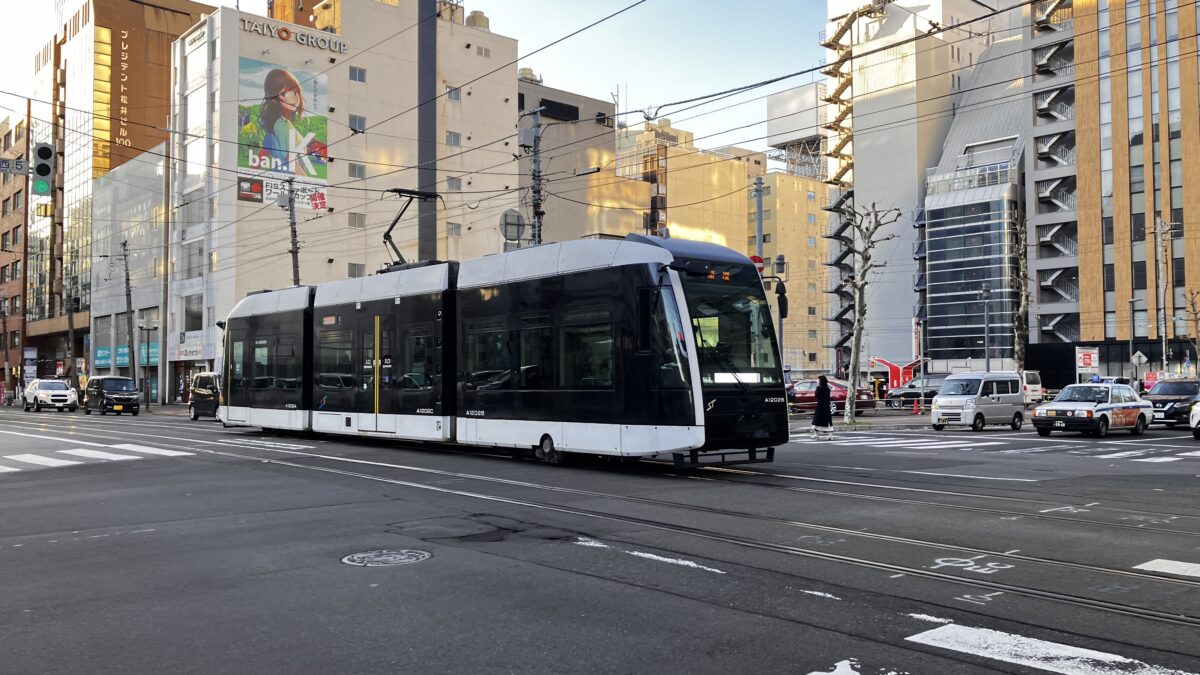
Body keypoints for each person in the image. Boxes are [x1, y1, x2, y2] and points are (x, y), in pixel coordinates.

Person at [259, 68, 307, 175]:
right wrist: (307, 184)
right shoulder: (283, 125)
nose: (294, 99)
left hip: (281, 182)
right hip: (291, 183)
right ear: (273, 98)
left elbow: (263, 153)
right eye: (284, 94)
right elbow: (292, 162)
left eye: (295, 92)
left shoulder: (277, 124)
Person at [810, 375, 834, 440]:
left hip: (821, 407)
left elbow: (816, 395)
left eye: (818, 380)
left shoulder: (821, 388)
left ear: (821, 381)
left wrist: (817, 386)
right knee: (825, 421)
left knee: (817, 420)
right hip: (825, 407)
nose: (817, 381)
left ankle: (818, 434)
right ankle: (829, 436)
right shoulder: (826, 388)